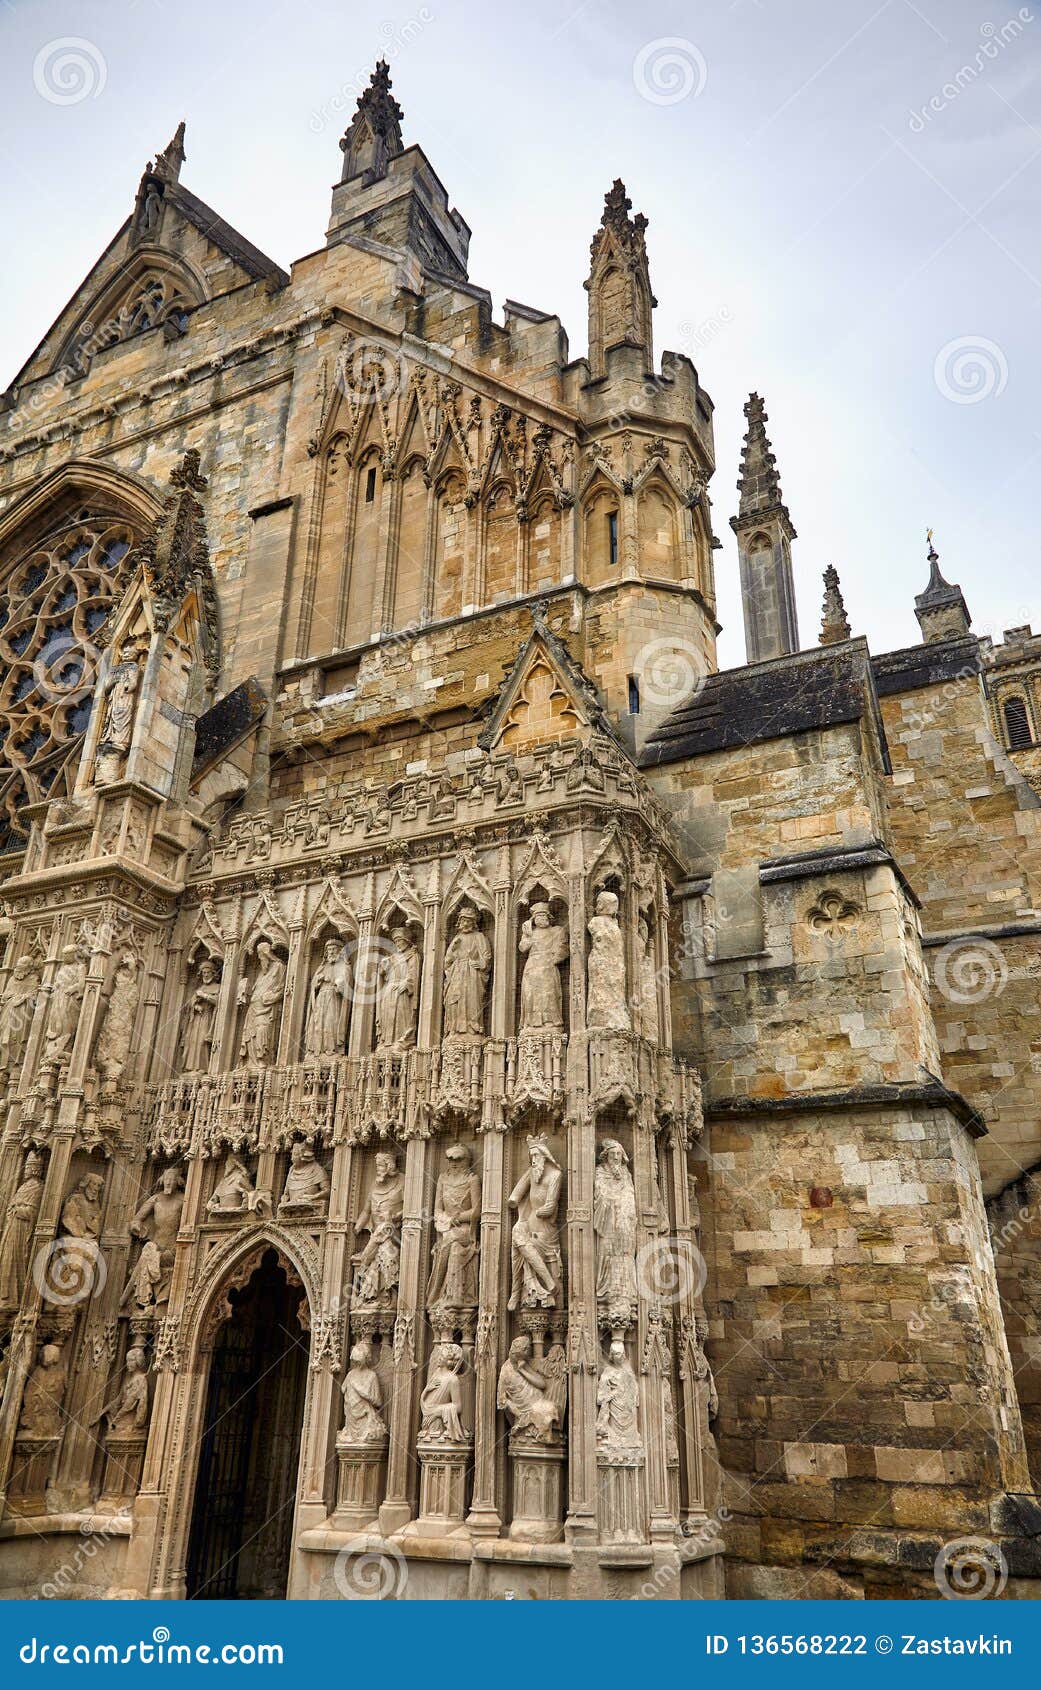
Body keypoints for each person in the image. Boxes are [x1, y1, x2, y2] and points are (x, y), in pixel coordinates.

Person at [506, 1135, 562, 1310]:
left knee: (521, 1244)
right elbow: (514, 1196)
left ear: (545, 1156)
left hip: (545, 1228)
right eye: (531, 1157)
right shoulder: (531, 1173)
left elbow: (551, 1206)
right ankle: (544, 1283)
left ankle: (519, 1292)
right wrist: (516, 1199)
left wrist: (538, 1212)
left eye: (537, 1156)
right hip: (528, 1223)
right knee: (517, 1234)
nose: (534, 1160)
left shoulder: (555, 1175)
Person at [426, 1144, 480, 1307]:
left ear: (466, 1161)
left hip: (464, 1229)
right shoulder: (443, 1178)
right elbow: (437, 1209)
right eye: (450, 1159)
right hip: (446, 1228)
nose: (453, 1163)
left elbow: (476, 1211)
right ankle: (441, 1293)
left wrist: (459, 1217)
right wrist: (446, 1220)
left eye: (458, 1159)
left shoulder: (472, 1179)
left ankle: (435, 1292)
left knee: (450, 1239)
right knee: (449, 1240)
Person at [518, 904, 568, 1031]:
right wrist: (527, 935)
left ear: (549, 917)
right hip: (532, 967)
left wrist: (554, 958)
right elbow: (523, 948)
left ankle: (550, 1022)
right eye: (537, 916)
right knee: (530, 995)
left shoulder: (557, 930)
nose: (540, 918)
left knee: (548, 994)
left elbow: (563, 947)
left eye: (543, 915)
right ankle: (531, 1023)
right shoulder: (531, 933)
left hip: (548, 966)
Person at [442, 908, 490, 1037]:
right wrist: (453, 949)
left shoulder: (479, 937)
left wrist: (480, 964)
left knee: (470, 999)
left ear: (474, 922)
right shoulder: (456, 939)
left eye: (469, 920)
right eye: (463, 920)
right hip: (456, 973)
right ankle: (455, 1028)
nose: (466, 923)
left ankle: (471, 1029)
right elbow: (447, 962)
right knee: (453, 1000)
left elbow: (486, 956)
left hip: (472, 974)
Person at [237, 939, 286, 1066]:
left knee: (263, 1030)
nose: (259, 957)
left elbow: (281, 989)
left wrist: (271, 997)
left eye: (260, 954)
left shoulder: (279, 967)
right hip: (254, 1008)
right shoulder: (261, 972)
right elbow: (256, 989)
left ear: (266, 954)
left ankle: (263, 1060)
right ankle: (250, 1063)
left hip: (267, 1008)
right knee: (250, 1034)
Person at [375, 927, 419, 1050]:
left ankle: (403, 1040)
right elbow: (383, 973)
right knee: (387, 1015)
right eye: (396, 942)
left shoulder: (412, 955)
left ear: (406, 941)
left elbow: (413, 974)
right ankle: (386, 1042)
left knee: (401, 1014)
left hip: (402, 991)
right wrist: (382, 967)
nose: (398, 944)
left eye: (400, 941)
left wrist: (406, 984)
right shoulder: (392, 957)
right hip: (389, 990)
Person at [305, 938, 350, 1058]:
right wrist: (319, 979)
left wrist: (339, 983)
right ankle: (316, 1051)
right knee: (318, 1023)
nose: (331, 952)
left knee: (330, 1022)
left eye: (334, 949)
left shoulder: (344, 966)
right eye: (329, 949)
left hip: (334, 998)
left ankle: (331, 1049)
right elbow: (313, 984)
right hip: (321, 998)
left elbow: (347, 983)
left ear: (339, 951)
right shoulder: (322, 967)